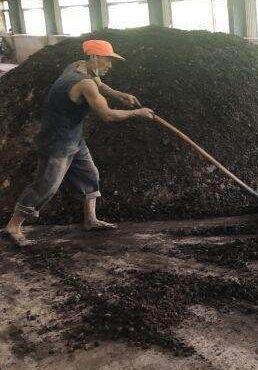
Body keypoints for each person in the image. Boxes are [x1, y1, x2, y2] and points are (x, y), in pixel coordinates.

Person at [2, 39, 154, 247]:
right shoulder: (84, 83)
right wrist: (137, 112)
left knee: (90, 175)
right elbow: (107, 115)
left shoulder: (77, 66)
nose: (110, 65)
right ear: (93, 57)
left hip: (73, 136)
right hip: (57, 141)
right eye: (107, 60)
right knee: (45, 186)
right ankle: (13, 226)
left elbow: (100, 84)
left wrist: (119, 94)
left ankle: (90, 220)